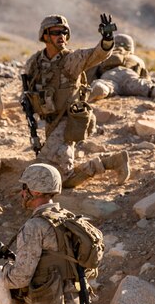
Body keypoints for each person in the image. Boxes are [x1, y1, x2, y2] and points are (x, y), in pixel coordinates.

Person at [5, 163, 155, 304]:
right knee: (25, 301)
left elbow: (21, 276)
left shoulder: (36, 226)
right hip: (70, 299)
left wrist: (3, 276)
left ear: (34, 191)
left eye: (24, 188)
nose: (21, 193)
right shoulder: (66, 217)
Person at [22, 15, 131, 188]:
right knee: (62, 177)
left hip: (68, 121)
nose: (62, 36)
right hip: (49, 121)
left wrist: (107, 39)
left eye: (65, 32)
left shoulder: (72, 59)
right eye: (56, 32)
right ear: (44, 35)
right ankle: (113, 161)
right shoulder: (34, 62)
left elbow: (98, 54)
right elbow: (29, 89)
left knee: (48, 172)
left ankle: (108, 163)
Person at [86, 34, 155, 104]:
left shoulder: (105, 56)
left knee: (104, 85)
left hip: (109, 75)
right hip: (130, 75)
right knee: (148, 88)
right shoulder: (135, 58)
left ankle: (101, 89)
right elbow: (145, 77)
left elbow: (92, 74)